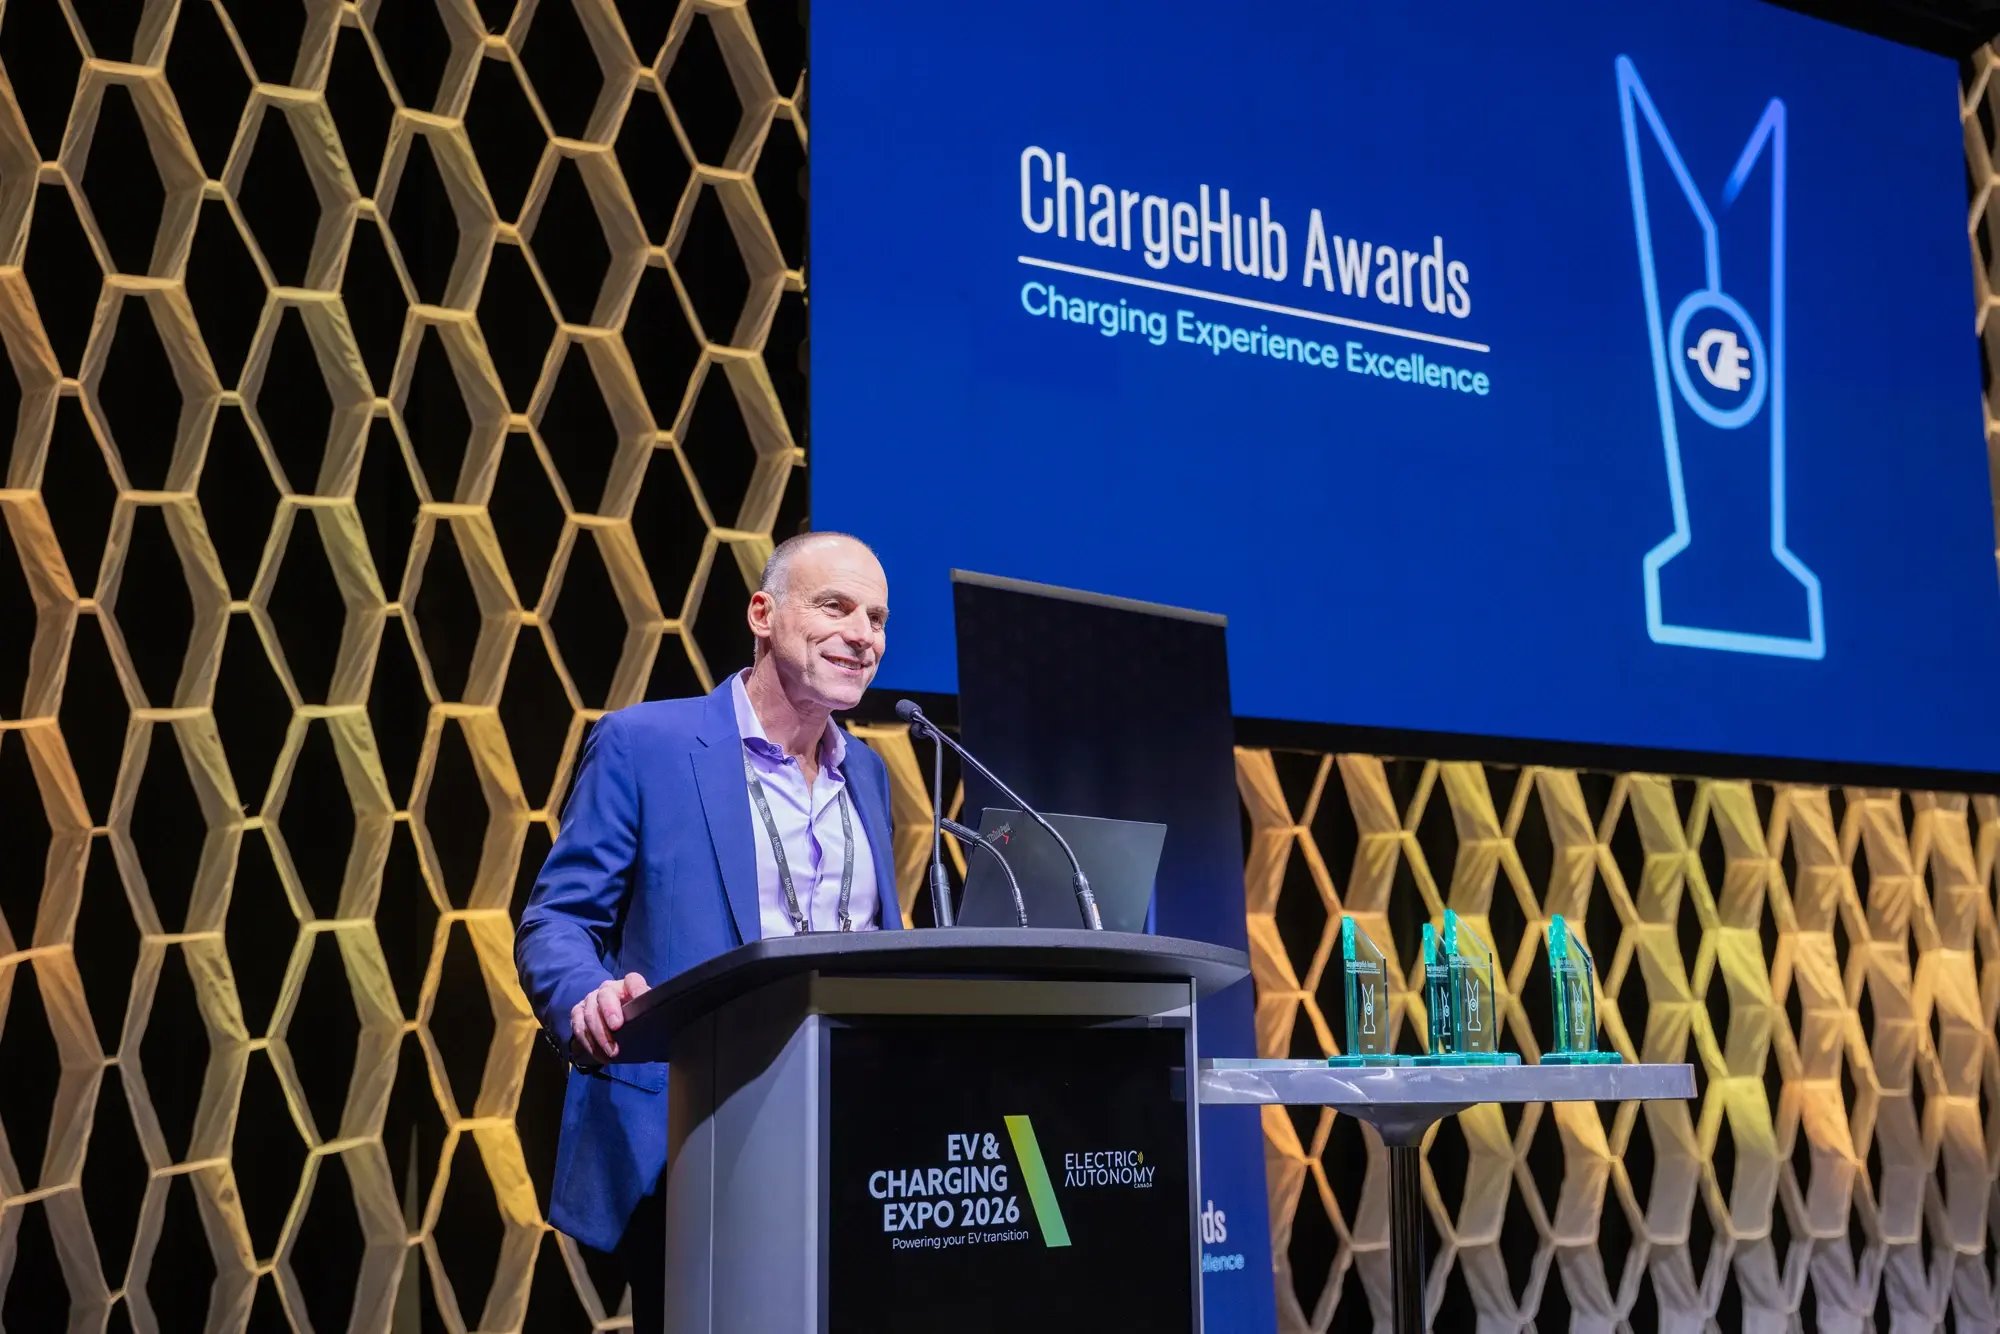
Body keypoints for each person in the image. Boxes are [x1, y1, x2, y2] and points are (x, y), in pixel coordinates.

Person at [514, 531, 900, 1329]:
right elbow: (558, 919)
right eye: (836, 607)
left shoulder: (867, 772)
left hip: (845, 1135)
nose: (862, 635)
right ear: (763, 614)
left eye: (877, 619)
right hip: (692, 1135)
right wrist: (586, 994)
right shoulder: (645, 745)